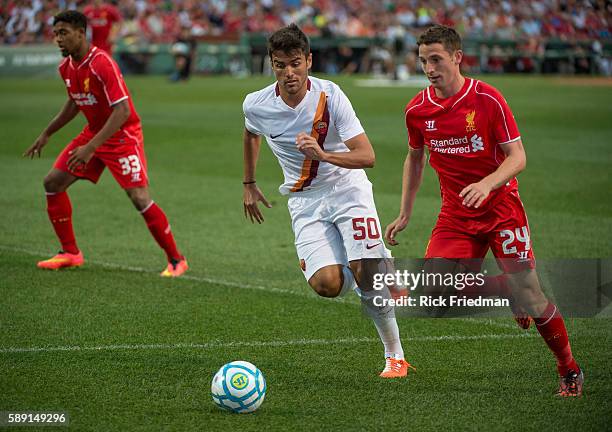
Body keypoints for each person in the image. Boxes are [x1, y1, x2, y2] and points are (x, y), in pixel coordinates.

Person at [385, 24, 583, 396]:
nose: (429, 68)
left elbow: (517, 156)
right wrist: (405, 212)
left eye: (436, 59)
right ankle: (508, 292)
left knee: (534, 297)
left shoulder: (488, 99)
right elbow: (415, 159)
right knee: (434, 294)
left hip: (502, 208)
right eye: (423, 60)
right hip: (456, 215)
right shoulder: (417, 110)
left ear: (457, 57)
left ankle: (568, 367)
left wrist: (488, 183)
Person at [242, 24, 413, 378]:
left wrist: (323, 153)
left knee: (367, 274)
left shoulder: (330, 96)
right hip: (304, 201)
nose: (289, 73)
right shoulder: (256, 104)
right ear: (271, 65)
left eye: (294, 63)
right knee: (327, 285)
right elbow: (250, 132)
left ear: (308, 60)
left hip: (348, 189)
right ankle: (378, 262)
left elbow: (367, 155)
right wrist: (249, 182)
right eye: (279, 65)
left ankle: (394, 355)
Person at [23, 10, 188, 278]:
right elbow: (75, 101)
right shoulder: (66, 67)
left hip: (122, 136)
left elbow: (122, 111)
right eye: (55, 34)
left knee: (139, 197)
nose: (58, 39)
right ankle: (70, 253)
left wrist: (90, 148)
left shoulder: (102, 62)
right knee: (52, 182)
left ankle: (176, 260)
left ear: (81, 32)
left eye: (63, 33)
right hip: (95, 134)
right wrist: (47, 132)